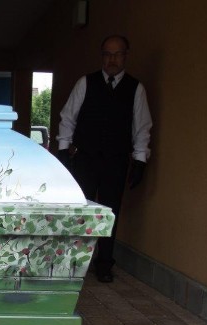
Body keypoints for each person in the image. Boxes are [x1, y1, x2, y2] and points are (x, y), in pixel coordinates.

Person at [56, 34, 152, 283]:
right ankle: (73, 261)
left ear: (125, 56)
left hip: (116, 160)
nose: (112, 59)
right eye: (108, 54)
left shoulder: (136, 88)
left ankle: (104, 263)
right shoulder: (85, 83)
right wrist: (64, 150)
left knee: (111, 212)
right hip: (85, 159)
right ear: (102, 56)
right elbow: (68, 117)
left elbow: (141, 127)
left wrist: (140, 160)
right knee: (80, 210)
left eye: (117, 54)